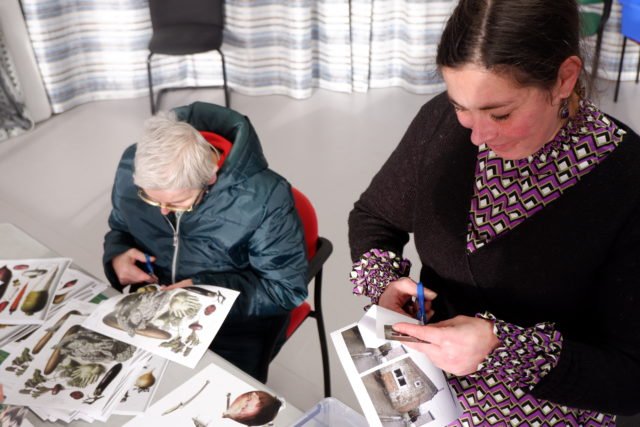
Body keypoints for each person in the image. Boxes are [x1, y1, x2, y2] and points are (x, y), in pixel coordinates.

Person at [348, 0, 640, 424]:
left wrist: (499, 348)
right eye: (459, 106)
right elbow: (375, 216)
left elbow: (629, 379)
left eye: (500, 113)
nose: (477, 137)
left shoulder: (626, 181)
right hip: (431, 397)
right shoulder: (439, 124)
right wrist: (386, 283)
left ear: (564, 78)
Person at [103, 102, 308, 381]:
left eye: (177, 203)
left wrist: (206, 289)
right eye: (150, 198)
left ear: (210, 177)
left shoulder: (265, 199)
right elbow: (120, 226)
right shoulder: (132, 165)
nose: (162, 211)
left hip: (235, 327)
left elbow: (284, 290)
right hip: (153, 308)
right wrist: (118, 253)